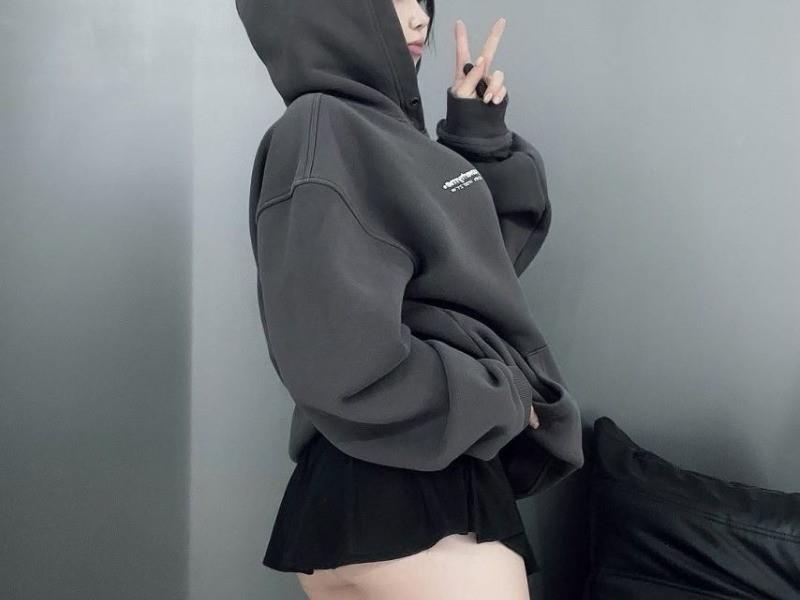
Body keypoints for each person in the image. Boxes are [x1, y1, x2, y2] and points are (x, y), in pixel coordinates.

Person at [236, 0, 586, 597]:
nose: (421, 18)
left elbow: (479, 273)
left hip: (389, 487)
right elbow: (336, 358)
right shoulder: (325, 125)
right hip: (412, 494)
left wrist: (478, 137)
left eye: (422, 0)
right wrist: (500, 396)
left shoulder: (376, 135)